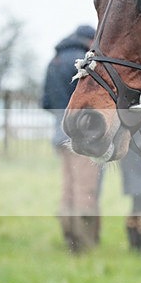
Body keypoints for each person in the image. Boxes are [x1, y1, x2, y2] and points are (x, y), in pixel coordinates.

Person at [42, 25, 102, 253]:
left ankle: (69, 237)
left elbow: (45, 102)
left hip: (59, 134)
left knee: (68, 189)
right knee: (85, 190)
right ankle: (83, 244)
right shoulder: (82, 61)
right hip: (81, 137)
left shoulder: (54, 61)